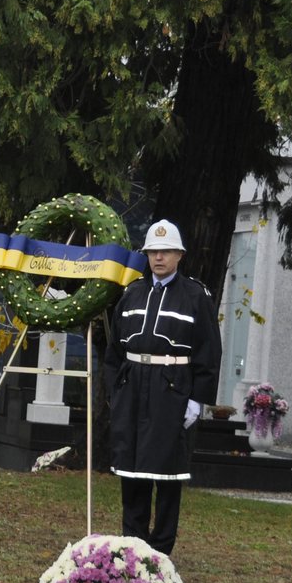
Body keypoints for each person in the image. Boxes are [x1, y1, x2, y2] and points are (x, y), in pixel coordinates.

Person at [103, 220, 221, 555]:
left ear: (180, 255)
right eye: (153, 251)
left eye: (166, 251)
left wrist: (197, 399)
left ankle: (162, 550)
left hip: (172, 389)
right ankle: (133, 545)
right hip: (132, 387)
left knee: (167, 474)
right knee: (132, 469)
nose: (158, 258)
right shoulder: (132, 293)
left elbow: (209, 353)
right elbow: (113, 352)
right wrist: (115, 390)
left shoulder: (196, 296)